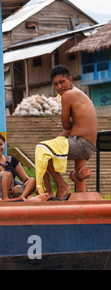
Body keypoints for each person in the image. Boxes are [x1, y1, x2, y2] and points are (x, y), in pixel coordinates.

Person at [40, 65, 97, 200]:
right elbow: (68, 128)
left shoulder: (68, 95)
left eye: (62, 82)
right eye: (55, 84)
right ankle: (49, 194)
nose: (59, 87)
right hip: (81, 142)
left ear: (70, 80)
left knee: (43, 150)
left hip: (82, 144)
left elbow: (66, 124)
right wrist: (52, 143)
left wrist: (49, 145)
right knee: (43, 149)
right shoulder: (76, 93)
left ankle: (61, 186)